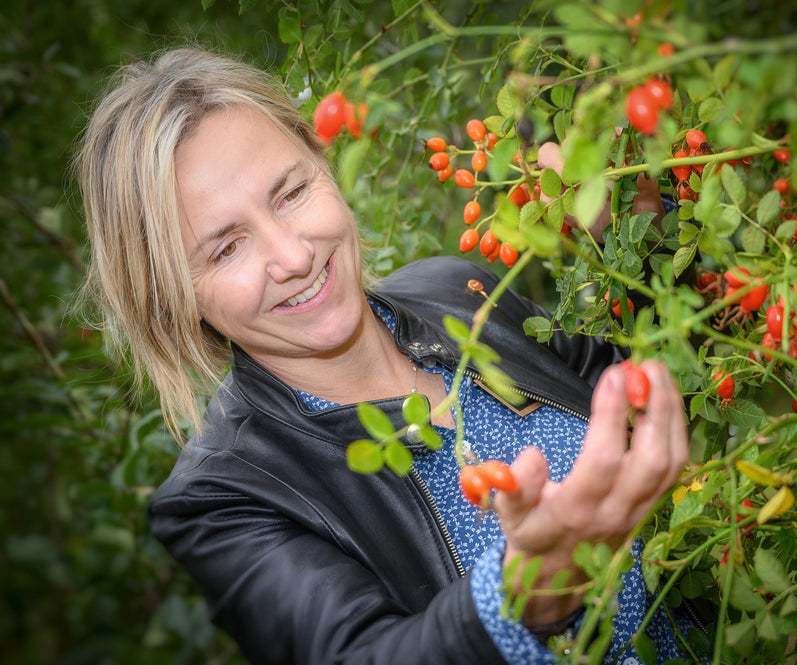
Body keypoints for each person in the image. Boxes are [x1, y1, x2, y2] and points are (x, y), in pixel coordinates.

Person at [74, 47, 701, 664]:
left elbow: (671, 383)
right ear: (174, 298)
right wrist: (522, 596)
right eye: (226, 249)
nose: (292, 257)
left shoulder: (458, 291)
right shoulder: (221, 497)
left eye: (290, 193)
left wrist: (646, 229)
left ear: (324, 164)